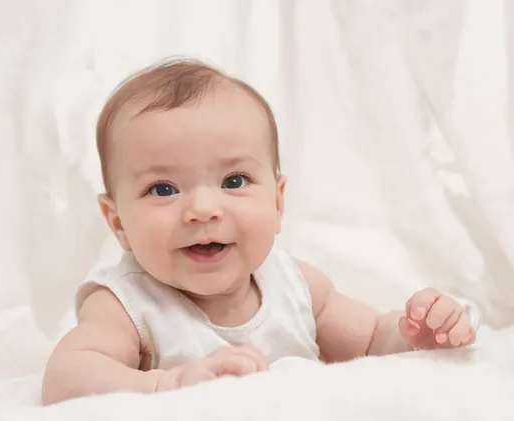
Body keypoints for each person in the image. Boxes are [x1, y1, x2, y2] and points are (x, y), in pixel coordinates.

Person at [41, 58, 480, 405]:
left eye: (233, 181)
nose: (203, 209)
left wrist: (413, 333)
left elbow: (367, 340)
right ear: (118, 222)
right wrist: (168, 384)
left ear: (277, 201)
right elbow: (66, 375)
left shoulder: (297, 285)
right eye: (163, 188)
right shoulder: (127, 306)